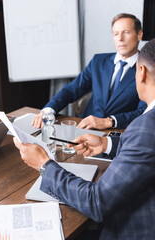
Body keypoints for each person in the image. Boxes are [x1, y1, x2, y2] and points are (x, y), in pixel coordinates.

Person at [14, 38, 155, 239]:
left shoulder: (145, 126)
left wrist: (43, 165)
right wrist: (107, 143)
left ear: (141, 72)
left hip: (134, 228)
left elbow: (97, 202)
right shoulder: (145, 129)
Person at [32, 13, 146, 130]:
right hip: (85, 128)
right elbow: (72, 89)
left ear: (139, 35)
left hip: (120, 132)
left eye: (126, 32)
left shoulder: (148, 69)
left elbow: (144, 111)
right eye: (115, 34)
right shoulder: (98, 61)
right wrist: (48, 111)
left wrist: (109, 122)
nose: (120, 38)